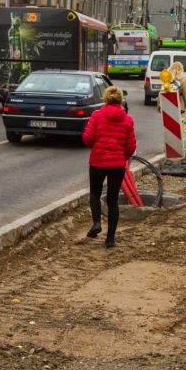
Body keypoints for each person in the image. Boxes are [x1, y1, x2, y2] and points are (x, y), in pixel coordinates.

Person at [82, 85, 137, 249]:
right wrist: (123, 157)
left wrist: (95, 147)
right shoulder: (127, 120)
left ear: (105, 98)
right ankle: (110, 239)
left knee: (95, 193)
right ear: (121, 99)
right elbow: (131, 145)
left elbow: (87, 138)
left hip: (98, 162)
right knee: (113, 200)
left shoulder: (97, 115)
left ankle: (97, 222)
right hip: (117, 165)